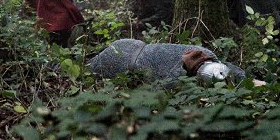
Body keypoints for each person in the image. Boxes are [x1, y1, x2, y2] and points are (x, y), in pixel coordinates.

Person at [88, 38, 252, 84]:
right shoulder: (176, 79)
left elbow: (232, 72)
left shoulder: (206, 54)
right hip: (120, 59)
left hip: (131, 44)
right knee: (88, 68)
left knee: (90, 62)